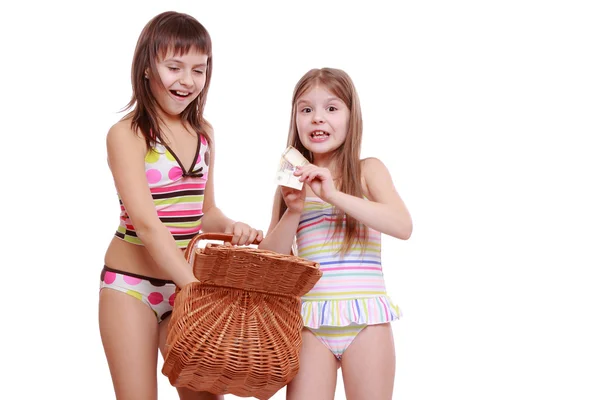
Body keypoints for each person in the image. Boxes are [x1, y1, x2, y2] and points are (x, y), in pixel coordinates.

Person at [98, 11, 263, 400]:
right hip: (131, 287)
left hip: (186, 288)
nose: (187, 80)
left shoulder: (205, 133)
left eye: (199, 70)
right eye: (174, 67)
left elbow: (205, 211)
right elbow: (147, 223)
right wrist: (191, 285)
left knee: (207, 395)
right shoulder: (127, 134)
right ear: (146, 68)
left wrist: (233, 225)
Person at [259, 68, 412, 399]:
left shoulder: (367, 170)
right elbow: (271, 264)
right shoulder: (290, 186)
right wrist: (295, 210)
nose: (318, 119)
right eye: (306, 109)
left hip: (365, 320)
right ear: (295, 120)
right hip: (310, 323)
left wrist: (332, 195)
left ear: (350, 116)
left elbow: (402, 225)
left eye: (331, 108)